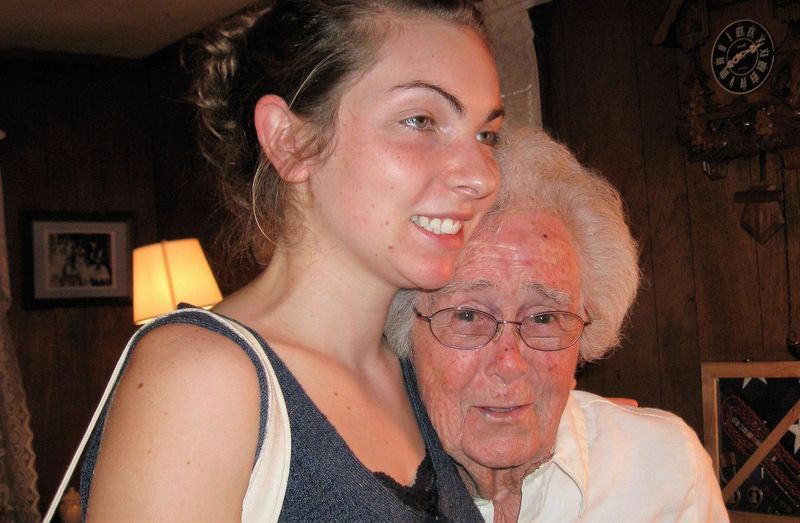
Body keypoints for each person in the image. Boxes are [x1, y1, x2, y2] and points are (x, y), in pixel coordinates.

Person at [80, 1, 504, 520]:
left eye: (486, 135)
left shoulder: (419, 372)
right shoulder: (200, 380)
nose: (483, 176)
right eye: (420, 120)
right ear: (291, 140)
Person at [386, 127, 729, 522]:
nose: (509, 363)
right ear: (404, 331)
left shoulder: (663, 469)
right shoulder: (350, 481)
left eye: (545, 318)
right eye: (468, 316)